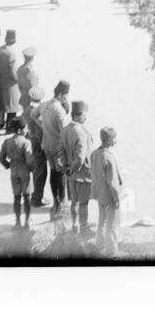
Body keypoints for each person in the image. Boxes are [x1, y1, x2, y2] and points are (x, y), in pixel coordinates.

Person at [60, 99, 93, 235]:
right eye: (84, 115)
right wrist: (73, 168)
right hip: (82, 173)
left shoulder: (65, 129)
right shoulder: (81, 132)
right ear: (78, 115)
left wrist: (66, 167)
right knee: (83, 203)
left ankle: (74, 225)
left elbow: (60, 149)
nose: (85, 117)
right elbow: (80, 157)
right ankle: (84, 228)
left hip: (70, 172)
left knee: (74, 201)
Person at [40, 81, 72, 219]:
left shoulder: (45, 104)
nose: (66, 98)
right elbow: (64, 132)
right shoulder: (59, 110)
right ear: (60, 94)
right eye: (65, 95)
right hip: (58, 148)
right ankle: (61, 202)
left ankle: (55, 202)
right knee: (61, 175)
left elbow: (34, 116)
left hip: (46, 145)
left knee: (53, 172)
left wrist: (43, 127)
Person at [91, 125, 123, 255]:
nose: (115, 141)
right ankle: (111, 251)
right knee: (112, 225)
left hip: (99, 194)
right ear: (109, 141)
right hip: (110, 196)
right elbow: (113, 182)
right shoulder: (109, 157)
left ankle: (99, 245)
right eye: (114, 139)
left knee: (101, 221)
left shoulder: (94, 154)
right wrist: (117, 199)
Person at [0, 115, 35, 229]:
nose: (27, 130)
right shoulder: (26, 142)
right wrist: (32, 168)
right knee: (27, 196)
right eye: (25, 128)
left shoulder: (7, 141)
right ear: (20, 130)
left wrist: (8, 165)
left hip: (13, 170)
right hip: (24, 169)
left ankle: (17, 222)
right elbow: (29, 159)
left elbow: (1, 157)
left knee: (16, 197)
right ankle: (27, 221)